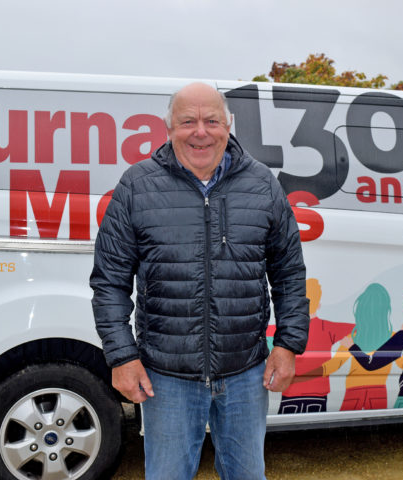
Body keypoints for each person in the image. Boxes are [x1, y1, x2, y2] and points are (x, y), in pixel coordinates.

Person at [90, 82, 309, 480]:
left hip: (245, 371)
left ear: (228, 125)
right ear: (169, 128)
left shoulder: (262, 184)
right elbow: (109, 282)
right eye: (187, 121)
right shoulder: (137, 186)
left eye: (211, 121)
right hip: (166, 377)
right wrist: (121, 356)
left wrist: (289, 344)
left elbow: (289, 272)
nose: (200, 132)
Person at [277, 278, 354, 414]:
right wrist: (344, 351)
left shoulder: (282, 327)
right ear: (319, 304)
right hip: (317, 395)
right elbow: (360, 328)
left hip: (290, 395)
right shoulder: (328, 327)